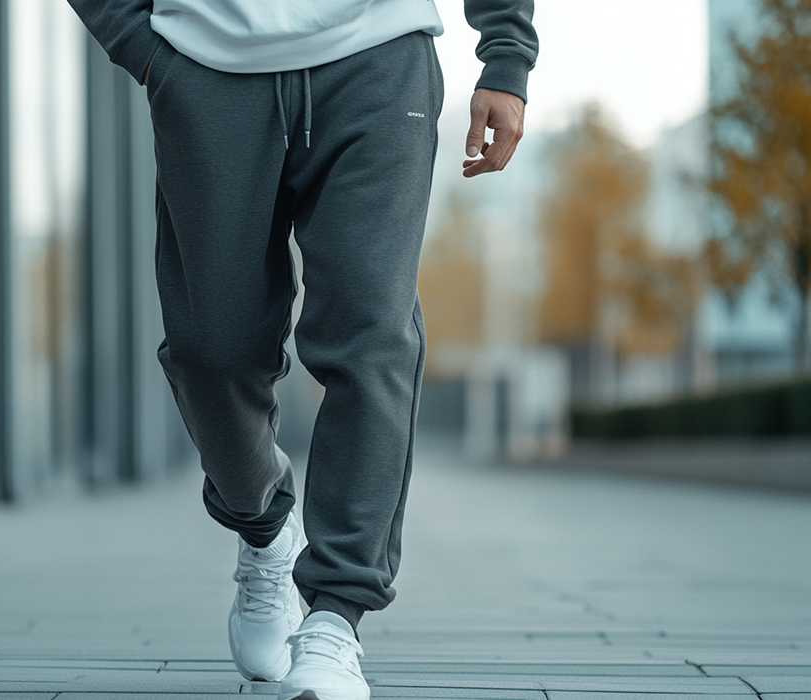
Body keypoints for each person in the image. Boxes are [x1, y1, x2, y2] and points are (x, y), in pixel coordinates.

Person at [68, 2, 538, 699]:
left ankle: (335, 621)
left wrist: (506, 49)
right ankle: (263, 528)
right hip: (206, 64)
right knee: (211, 353)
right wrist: (140, 43)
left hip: (377, 57)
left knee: (371, 336)